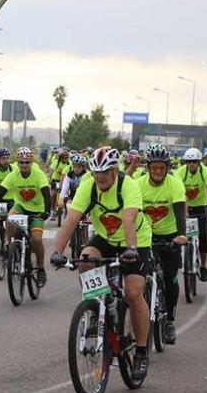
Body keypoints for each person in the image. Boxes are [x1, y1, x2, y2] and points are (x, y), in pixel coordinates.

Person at [50, 146, 153, 380]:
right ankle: (99, 308)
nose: (100, 177)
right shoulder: (88, 186)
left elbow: (128, 218)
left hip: (135, 240)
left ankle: (140, 351)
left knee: (134, 292)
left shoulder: (129, 185)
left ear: (114, 170)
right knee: (86, 260)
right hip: (105, 237)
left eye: (104, 172)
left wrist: (131, 249)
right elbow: (72, 218)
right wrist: (57, 251)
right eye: (95, 172)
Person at [136, 144, 186, 344]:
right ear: (147, 168)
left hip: (170, 236)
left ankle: (170, 321)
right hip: (145, 237)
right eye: (153, 167)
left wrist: (181, 235)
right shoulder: (138, 184)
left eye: (161, 168)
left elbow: (180, 210)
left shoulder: (174, 184)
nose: (157, 171)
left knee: (170, 278)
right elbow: (132, 211)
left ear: (167, 168)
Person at [0, 147, 51, 287]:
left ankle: (41, 268)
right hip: (21, 206)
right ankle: (12, 246)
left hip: (37, 209)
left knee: (36, 239)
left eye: (27, 162)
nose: (24, 165)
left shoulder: (38, 174)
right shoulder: (13, 175)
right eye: (21, 162)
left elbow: (47, 194)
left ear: (31, 162)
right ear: (17, 163)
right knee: (9, 220)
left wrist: (47, 212)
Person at [175, 147, 207, 281]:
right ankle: (179, 257)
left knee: (203, 237)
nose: (191, 164)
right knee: (178, 234)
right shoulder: (180, 172)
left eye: (194, 161)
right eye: (188, 162)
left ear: (199, 162)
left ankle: (203, 266)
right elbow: (177, 191)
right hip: (185, 207)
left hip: (201, 207)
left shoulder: (204, 172)